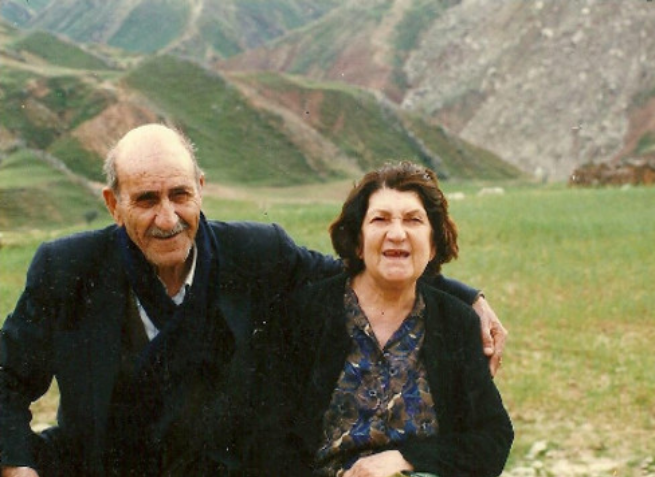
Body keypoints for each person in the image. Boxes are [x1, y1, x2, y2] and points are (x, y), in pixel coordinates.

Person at [0, 124, 506, 476]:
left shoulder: (257, 252)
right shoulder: (67, 268)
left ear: (201, 189)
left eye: (180, 195)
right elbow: (5, 378)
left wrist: (467, 298)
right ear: (113, 204)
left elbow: (354, 271)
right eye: (146, 200)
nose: (167, 218)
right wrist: (17, 466)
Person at [258, 162, 513, 477]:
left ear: (433, 245)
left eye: (413, 220)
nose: (397, 234)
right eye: (380, 219)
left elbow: (493, 438)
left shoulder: (455, 322)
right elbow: (266, 439)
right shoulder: (304, 315)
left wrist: (406, 459)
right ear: (358, 242)